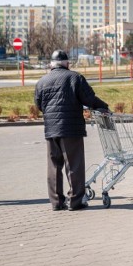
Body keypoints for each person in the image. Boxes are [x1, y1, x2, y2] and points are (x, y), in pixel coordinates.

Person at [34, 50, 108, 211]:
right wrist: (104, 107)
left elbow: (39, 105)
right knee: (74, 165)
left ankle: (56, 202)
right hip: (71, 129)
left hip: (51, 130)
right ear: (66, 63)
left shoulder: (42, 81)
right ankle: (75, 201)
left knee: (54, 166)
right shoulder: (74, 77)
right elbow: (89, 99)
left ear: (51, 64)